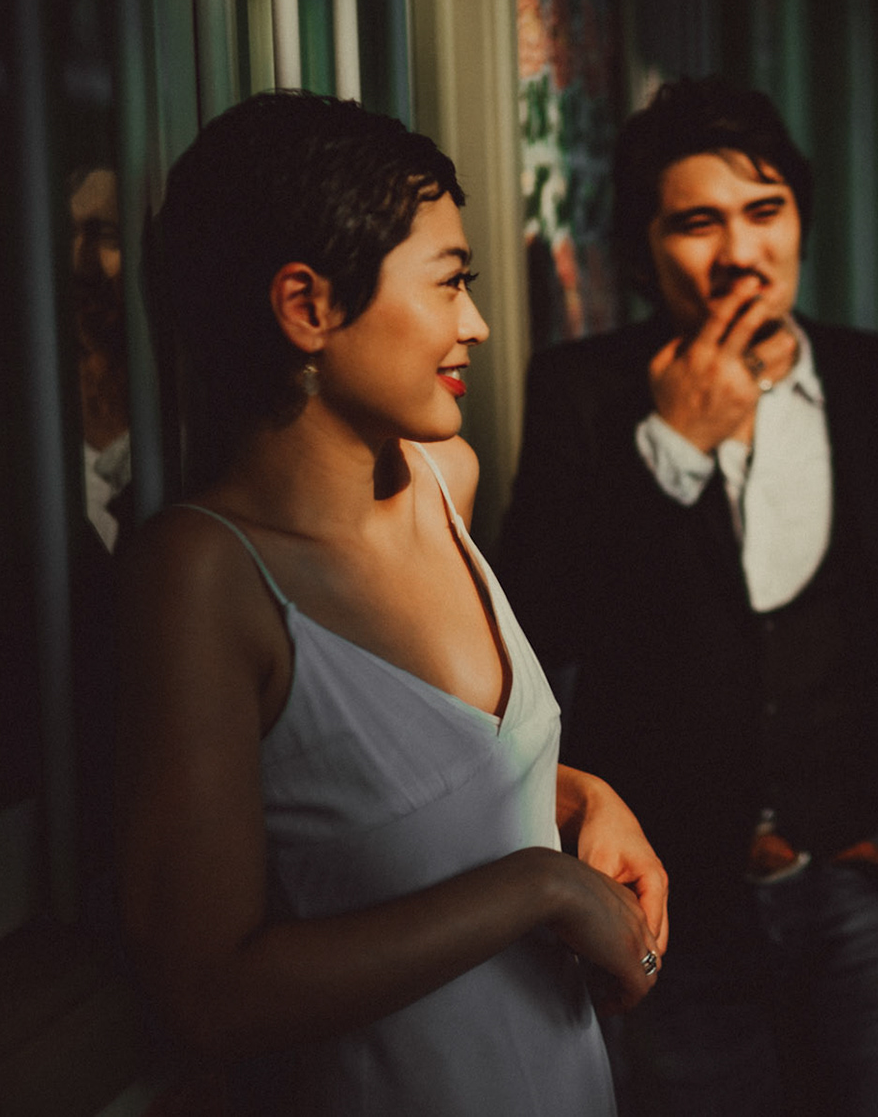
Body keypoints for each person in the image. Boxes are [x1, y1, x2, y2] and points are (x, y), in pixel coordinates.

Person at [496, 77, 878, 1116]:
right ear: (644, 245)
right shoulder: (585, 393)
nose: (740, 252)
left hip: (868, 878)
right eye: (697, 222)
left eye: (765, 213)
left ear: (800, 222)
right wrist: (669, 448)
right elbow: (535, 624)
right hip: (670, 894)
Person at [116, 90, 667, 1116]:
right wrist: (537, 887)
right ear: (308, 308)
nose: (479, 323)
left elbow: (398, 777)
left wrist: (582, 796)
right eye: (452, 282)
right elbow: (209, 994)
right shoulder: (205, 578)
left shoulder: (441, 480)